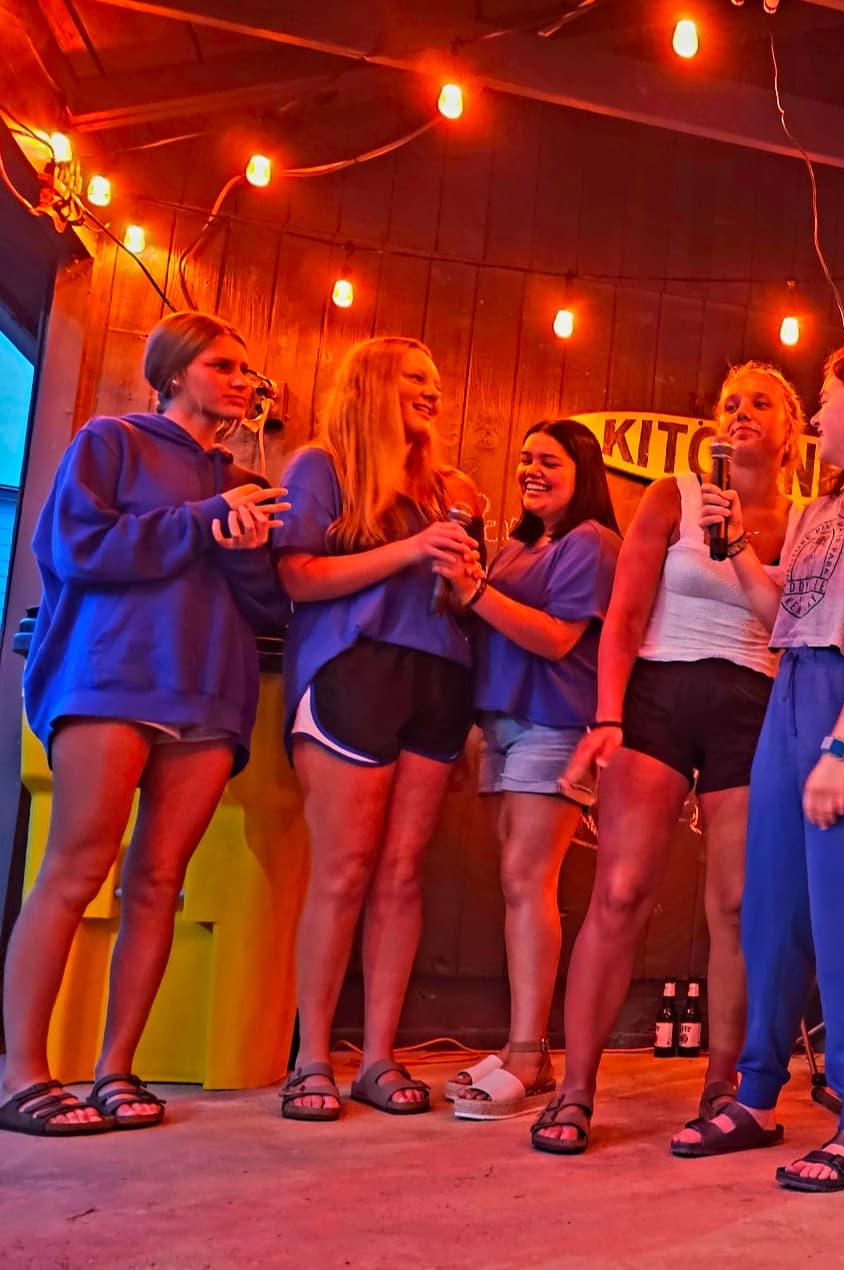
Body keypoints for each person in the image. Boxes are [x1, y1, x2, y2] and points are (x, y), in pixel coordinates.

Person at [0, 311, 290, 1136]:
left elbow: (266, 603)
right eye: (224, 365)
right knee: (76, 867)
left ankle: (116, 1070)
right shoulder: (110, 440)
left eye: (247, 370)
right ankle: (22, 1074)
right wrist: (203, 523)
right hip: (114, 675)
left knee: (160, 881)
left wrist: (239, 543)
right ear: (171, 372)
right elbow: (77, 549)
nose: (242, 380)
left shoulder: (239, 477)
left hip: (208, 690)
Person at [679, 342, 844, 1193]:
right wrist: (732, 551)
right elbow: (781, 611)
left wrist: (843, 748)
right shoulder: (821, 511)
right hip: (793, 691)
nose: (816, 413)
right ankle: (758, 1095)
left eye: (827, 397)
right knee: (772, 911)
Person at [529, 364, 805, 1154]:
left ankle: (725, 1084)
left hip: (752, 703)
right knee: (620, 891)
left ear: (792, 429)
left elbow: (801, 624)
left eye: (759, 403)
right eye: (729, 403)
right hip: (659, 693)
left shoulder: (809, 518)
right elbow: (623, 616)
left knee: (737, 904)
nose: (741, 413)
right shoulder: (673, 495)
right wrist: (608, 716)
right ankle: (576, 1087)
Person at [272, 336, 482, 1121]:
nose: (432, 390)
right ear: (372, 384)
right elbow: (297, 573)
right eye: (414, 378)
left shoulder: (445, 487)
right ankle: (312, 1059)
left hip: (439, 678)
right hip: (353, 669)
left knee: (401, 872)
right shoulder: (321, 466)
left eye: (435, 379)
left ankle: (381, 1057)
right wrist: (408, 549)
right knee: (344, 869)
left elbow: (459, 597)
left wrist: (464, 575)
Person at [433, 420, 620, 1121]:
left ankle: (528, 1051)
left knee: (527, 880)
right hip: (499, 721)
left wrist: (476, 591)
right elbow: (483, 616)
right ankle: (525, 1051)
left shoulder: (592, 542)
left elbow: (556, 635)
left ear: (583, 471)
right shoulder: (517, 544)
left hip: (558, 721)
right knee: (514, 884)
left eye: (550, 460)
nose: (532, 469)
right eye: (526, 459)